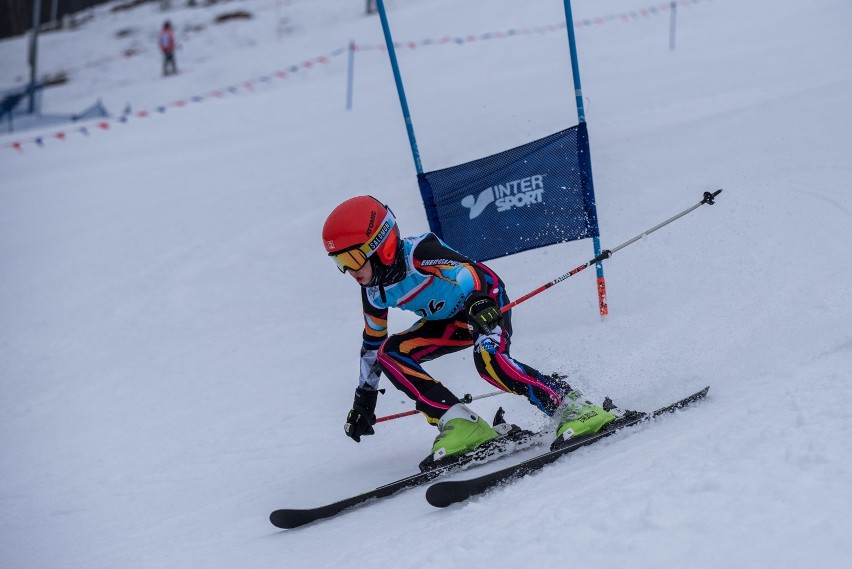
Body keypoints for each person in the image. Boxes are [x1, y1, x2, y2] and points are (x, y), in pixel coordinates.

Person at [322, 195, 620, 467]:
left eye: (354, 258)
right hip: (448, 325)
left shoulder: (419, 253)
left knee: (490, 363)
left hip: (484, 303)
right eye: (341, 263)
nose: (351, 271)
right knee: (390, 354)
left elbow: (468, 271)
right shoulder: (374, 291)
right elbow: (372, 344)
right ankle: (462, 424)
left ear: (381, 246)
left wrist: (478, 300)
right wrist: (364, 400)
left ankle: (573, 408)